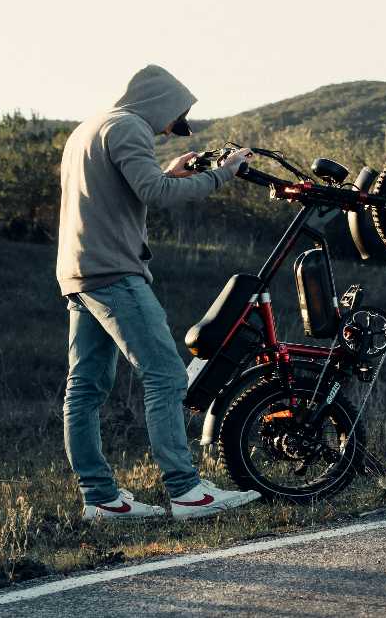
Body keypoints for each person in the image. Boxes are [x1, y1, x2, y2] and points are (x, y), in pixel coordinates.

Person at [56, 64, 260, 520]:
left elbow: (120, 191)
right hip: (113, 272)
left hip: (78, 271)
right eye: (175, 119)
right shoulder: (129, 127)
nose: (172, 128)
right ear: (162, 102)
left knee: (85, 388)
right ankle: (186, 491)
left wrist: (170, 171)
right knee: (166, 375)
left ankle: (101, 499)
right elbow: (155, 195)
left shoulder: (88, 129)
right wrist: (223, 174)